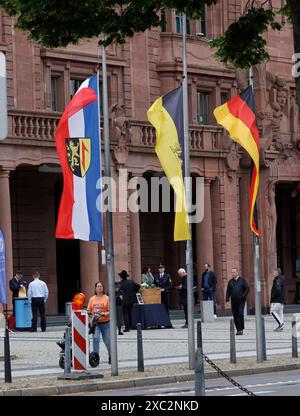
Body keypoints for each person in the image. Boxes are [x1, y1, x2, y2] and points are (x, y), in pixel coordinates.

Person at [87, 282, 111, 364]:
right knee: (95, 338)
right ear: (95, 288)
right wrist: (91, 314)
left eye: (101, 286)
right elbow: (88, 310)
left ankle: (111, 356)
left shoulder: (107, 298)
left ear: (103, 288)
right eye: (98, 286)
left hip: (105, 323)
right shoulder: (92, 299)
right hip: (95, 323)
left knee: (107, 340)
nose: (99, 287)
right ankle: (95, 358)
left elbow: (110, 311)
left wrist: (104, 314)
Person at [225, 268, 249, 335]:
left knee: (240, 313)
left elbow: (247, 289)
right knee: (235, 315)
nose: (233, 273)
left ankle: (241, 329)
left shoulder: (243, 280)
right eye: (232, 272)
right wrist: (227, 299)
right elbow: (228, 291)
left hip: (241, 300)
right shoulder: (230, 282)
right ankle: (238, 330)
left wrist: (243, 295)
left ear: (237, 272)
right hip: (233, 301)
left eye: (234, 272)